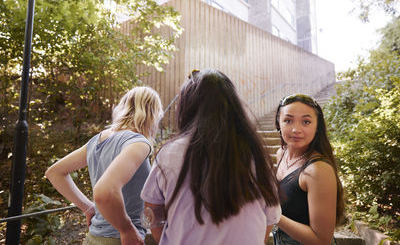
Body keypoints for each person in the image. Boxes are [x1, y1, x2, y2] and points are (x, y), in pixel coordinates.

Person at [140, 69, 281, 245]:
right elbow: (269, 218)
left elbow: (151, 210)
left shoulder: (168, 153)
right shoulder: (255, 153)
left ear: (187, 106)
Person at [45, 86, 163, 245]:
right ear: (152, 113)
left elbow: (54, 172)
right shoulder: (139, 143)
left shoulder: (98, 140)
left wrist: (87, 207)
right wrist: (126, 229)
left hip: (93, 239)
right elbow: (104, 192)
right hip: (119, 240)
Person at [273, 94, 345, 245]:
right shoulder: (281, 154)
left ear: (317, 126)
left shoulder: (318, 170)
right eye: (288, 120)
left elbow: (321, 240)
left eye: (306, 122)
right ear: (278, 123)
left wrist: (273, 214)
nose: (296, 129)